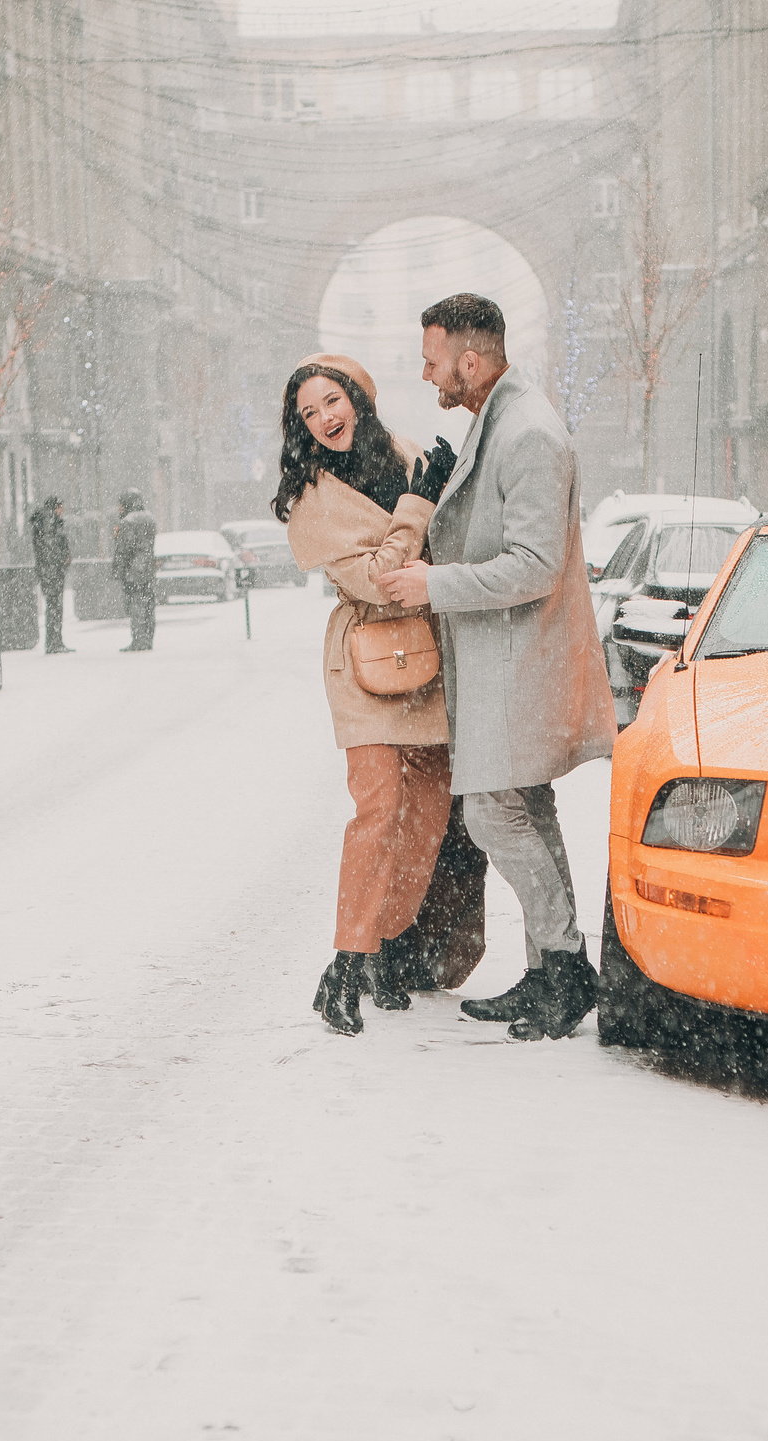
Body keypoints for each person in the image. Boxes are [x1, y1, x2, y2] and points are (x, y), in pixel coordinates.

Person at [375, 293, 614, 1041]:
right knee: (529, 813)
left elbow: (535, 566)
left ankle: (570, 966)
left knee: (489, 812)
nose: (426, 372)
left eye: (432, 358)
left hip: (518, 664)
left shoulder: (529, 431)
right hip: (502, 663)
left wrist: (431, 583)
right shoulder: (503, 419)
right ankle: (547, 972)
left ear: (469, 360)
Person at [274, 353, 459, 1036]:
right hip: (364, 661)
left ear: (357, 397)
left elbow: (438, 552)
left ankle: (385, 942)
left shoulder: (408, 454)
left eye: (331, 400)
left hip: (430, 657)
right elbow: (380, 580)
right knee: (378, 811)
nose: (324, 418)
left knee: (428, 817)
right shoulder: (314, 500)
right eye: (307, 413)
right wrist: (419, 504)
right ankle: (344, 968)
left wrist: (449, 489)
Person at [29, 495, 74, 653]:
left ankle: (54, 641)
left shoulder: (46, 521)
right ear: (56, 507)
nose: (62, 511)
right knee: (54, 606)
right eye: (61, 507)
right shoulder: (50, 520)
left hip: (49, 571)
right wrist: (62, 560)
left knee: (53, 606)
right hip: (52, 571)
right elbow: (52, 547)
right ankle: (54, 642)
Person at [114, 490, 157, 651]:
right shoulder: (150, 518)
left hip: (133, 570)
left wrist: (120, 569)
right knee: (148, 605)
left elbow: (125, 548)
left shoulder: (127, 521)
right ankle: (148, 638)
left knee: (137, 606)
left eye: (120, 504)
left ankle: (139, 640)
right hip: (148, 568)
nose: (118, 508)